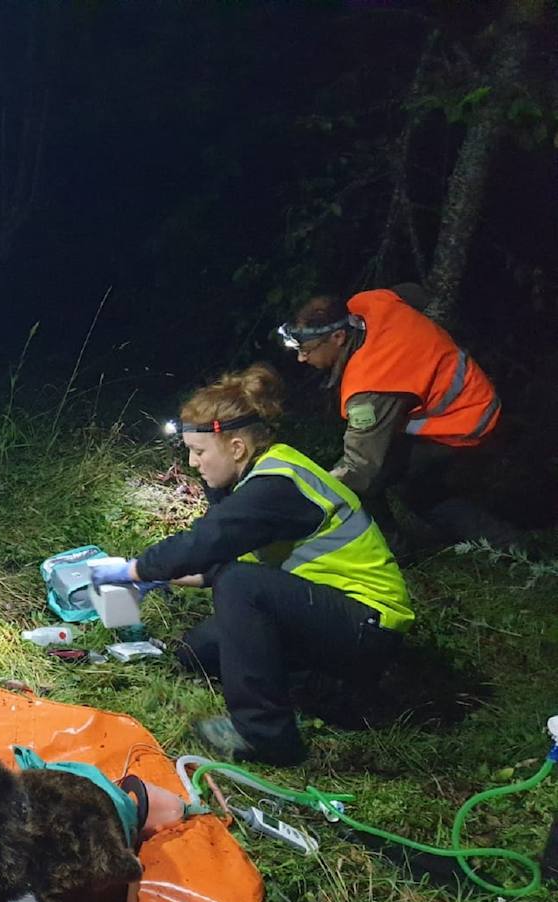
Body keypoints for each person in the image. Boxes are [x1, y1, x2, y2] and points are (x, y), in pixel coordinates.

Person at [90, 364, 413, 765]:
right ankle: (336, 693)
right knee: (199, 652)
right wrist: (160, 578)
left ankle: (266, 736)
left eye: (199, 451)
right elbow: (220, 558)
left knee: (242, 586)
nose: (193, 463)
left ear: (237, 448)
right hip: (325, 612)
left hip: (367, 622)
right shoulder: (254, 480)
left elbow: (208, 542)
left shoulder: (277, 484)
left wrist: (135, 569)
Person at [279, 286, 515, 549]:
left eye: (307, 350)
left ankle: (507, 549)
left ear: (338, 337)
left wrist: (311, 493)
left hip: (466, 422)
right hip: (473, 391)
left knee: (389, 488)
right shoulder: (370, 303)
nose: (301, 358)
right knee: (399, 476)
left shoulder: (371, 385)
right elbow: (412, 292)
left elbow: (361, 469)